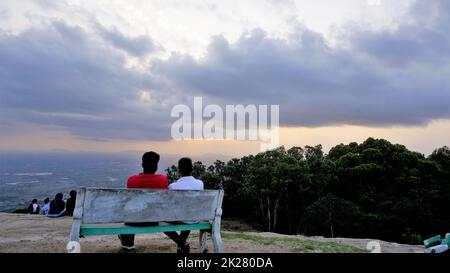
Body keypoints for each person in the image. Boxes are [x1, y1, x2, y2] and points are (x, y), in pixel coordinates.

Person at [118, 151, 168, 253]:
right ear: (156, 166)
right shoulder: (162, 180)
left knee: (131, 213)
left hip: (134, 221)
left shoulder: (131, 180)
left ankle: (128, 246)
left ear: (142, 164)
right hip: (154, 220)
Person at [165, 157, 204, 253]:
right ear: (192, 169)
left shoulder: (173, 186)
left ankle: (182, 243)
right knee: (188, 215)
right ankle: (181, 246)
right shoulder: (200, 183)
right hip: (195, 218)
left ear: (179, 170)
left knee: (162, 221)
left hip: (180, 217)